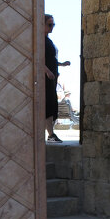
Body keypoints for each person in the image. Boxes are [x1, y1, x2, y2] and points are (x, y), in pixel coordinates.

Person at [44, 14, 70, 143]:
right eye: (49, 24)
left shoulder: (48, 40)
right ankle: (50, 134)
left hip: (52, 78)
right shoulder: (41, 40)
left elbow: (50, 59)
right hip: (46, 78)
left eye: (53, 24)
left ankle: (51, 133)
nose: (52, 27)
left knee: (53, 105)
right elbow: (38, 59)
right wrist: (47, 71)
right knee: (49, 105)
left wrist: (61, 64)